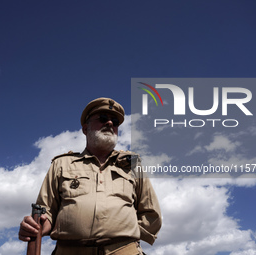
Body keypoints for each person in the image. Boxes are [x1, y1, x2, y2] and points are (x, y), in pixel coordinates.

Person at [19, 97, 162, 255]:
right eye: (102, 118)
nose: (109, 123)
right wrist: (38, 226)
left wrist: (125, 238)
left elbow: (150, 212)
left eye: (115, 121)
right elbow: (47, 211)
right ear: (85, 129)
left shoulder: (133, 165)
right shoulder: (62, 164)